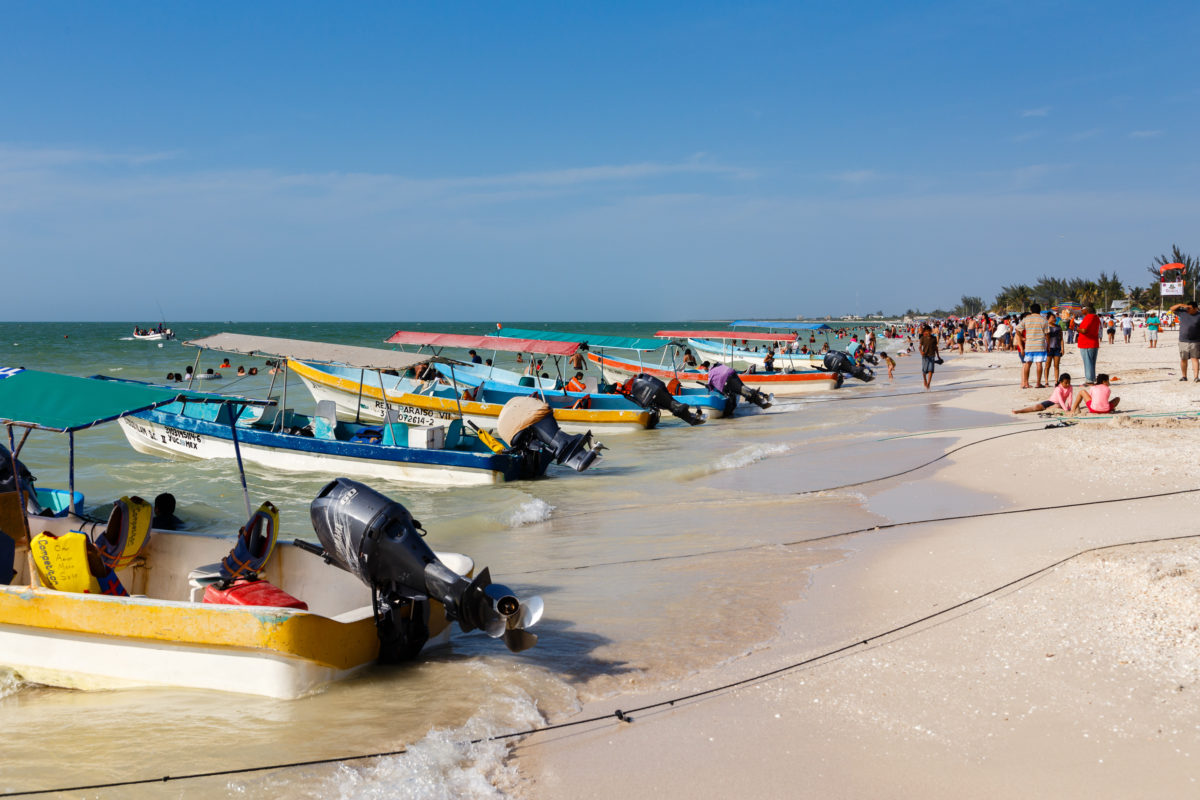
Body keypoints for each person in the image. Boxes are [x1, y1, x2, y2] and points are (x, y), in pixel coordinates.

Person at [1016, 303, 1051, 389]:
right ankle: (1038, 383)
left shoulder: (1027, 319)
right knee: (1039, 364)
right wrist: (1048, 345)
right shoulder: (1043, 320)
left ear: (1031, 311)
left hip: (1029, 345)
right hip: (1040, 344)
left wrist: (1022, 337)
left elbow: (1017, 329)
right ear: (1040, 310)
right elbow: (1047, 335)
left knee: (1028, 364)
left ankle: (1026, 383)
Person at [1169, 300, 1200, 381]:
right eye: (1187, 308)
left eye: (1190, 308)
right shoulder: (1182, 312)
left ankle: (1196, 377)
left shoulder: (1199, 315)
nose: (1188, 310)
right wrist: (1180, 305)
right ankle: (1184, 376)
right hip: (1183, 340)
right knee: (1183, 359)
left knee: (1195, 358)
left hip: (1196, 341)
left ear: (1195, 308)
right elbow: (1171, 309)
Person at [1076, 305, 1101, 384]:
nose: (1081, 311)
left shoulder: (1088, 317)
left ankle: (1089, 380)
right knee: (1091, 363)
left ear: (1086, 309)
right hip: (1093, 343)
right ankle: (1092, 378)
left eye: (1082, 309)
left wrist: (1077, 329)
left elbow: (1084, 330)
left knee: (1088, 362)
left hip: (1087, 343)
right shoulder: (1096, 317)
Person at [1044, 311, 1063, 385]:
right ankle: (1046, 381)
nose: (1054, 318)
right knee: (1047, 365)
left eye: (1054, 317)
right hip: (1048, 348)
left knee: (1056, 365)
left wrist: (1063, 348)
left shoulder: (1058, 327)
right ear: (1048, 319)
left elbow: (1061, 338)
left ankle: (1056, 381)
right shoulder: (1046, 327)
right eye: (1052, 317)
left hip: (1057, 348)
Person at [918, 324, 939, 390]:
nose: (928, 332)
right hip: (925, 356)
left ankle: (929, 383)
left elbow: (936, 347)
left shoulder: (934, 338)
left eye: (929, 331)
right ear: (924, 332)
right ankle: (925, 380)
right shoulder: (922, 338)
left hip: (932, 355)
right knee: (924, 371)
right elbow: (919, 347)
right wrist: (921, 352)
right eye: (926, 331)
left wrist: (938, 356)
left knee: (931, 370)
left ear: (931, 331)